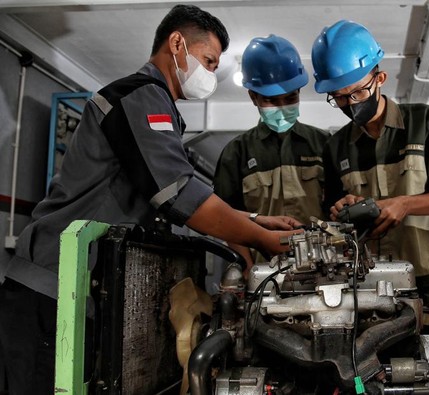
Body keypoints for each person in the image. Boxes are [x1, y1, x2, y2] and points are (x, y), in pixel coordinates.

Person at [0, 6, 300, 394]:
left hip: (79, 290)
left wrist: (256, 219)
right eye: (208, 62)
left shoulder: (157, 105)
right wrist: (260, 239)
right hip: (51, 289)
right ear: (177, 43)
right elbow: (178, 194)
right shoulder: (140, 96)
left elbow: (180, 185)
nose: (210, 74)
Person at [311, 20, 429, 342]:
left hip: (428, 274)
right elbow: (332, 218)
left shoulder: (422, 121)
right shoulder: (335, 147)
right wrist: (342, 209)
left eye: (359, 92)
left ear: (380, 78)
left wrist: (404, 203)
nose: (351, 104)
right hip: (369, 279)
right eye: (339, 97)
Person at [213, 35, 329, 267]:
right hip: (266, 274)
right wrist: (247, 271)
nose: (282, 107)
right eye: (271, 100)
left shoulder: (324, 143)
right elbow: (227, 221)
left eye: (290, 97)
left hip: (325, 269)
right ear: (253, 97)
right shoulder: (236, 153)